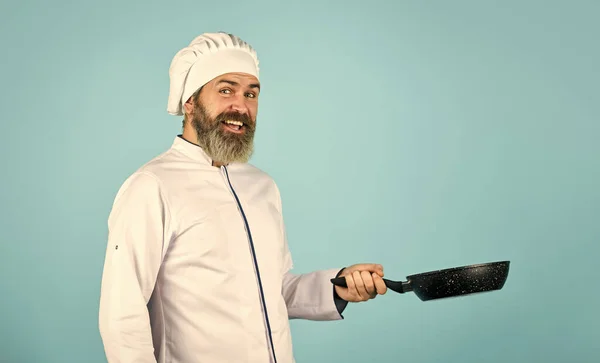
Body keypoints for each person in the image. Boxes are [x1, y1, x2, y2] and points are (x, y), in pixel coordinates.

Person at [98, 32, 387, 363]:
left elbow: (271, 291)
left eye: (251, 94)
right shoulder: (151, 186)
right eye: (225, 90)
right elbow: (121, 315)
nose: (241, 106)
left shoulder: (262, 186)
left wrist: (335, 287)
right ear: (189, 102)